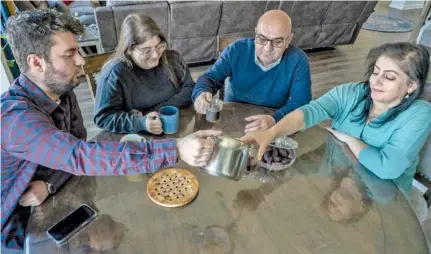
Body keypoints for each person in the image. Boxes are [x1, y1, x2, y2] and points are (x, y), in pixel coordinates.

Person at [1, 10, 219, 250]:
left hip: (62, 200)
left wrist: (49, 183)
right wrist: (175, 147)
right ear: (36, 62)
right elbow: (80, 156)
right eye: (69, 53)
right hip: (17, 232)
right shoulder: (16, 120)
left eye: (79, 50)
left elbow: (77, 150)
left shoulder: (62, 91)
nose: (82, 60)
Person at [241, 42, 431, 195]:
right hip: (336, 176)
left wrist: (350, 139)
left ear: (411, 86)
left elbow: (387, 168)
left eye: (389, 77)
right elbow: (311, 111)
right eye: (375, 72)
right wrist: (272, 133)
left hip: (382, 194)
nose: (376, 81)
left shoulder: (420, 114)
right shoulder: (351, 92)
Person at [192, 10, 311, 133]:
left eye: (277, 41)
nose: (267, 48)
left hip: (271, 122)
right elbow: (210, 78)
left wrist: (274, 119)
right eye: (262, 38)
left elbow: (301, 102)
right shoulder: (236, 50)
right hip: (232, 120)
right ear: (255, 34)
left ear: (289, 40)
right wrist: (201, 92)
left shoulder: (298, 60)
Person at [94, 14, 195, 134]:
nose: (156, 55)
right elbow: (103, 118)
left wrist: (153, 112)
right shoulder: (115, 73)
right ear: (129, 49)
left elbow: (190, 88)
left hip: (177, 126)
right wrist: (140, 122)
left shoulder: (172, 58)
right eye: (146, 51)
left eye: (159, 46)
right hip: (138, 135)